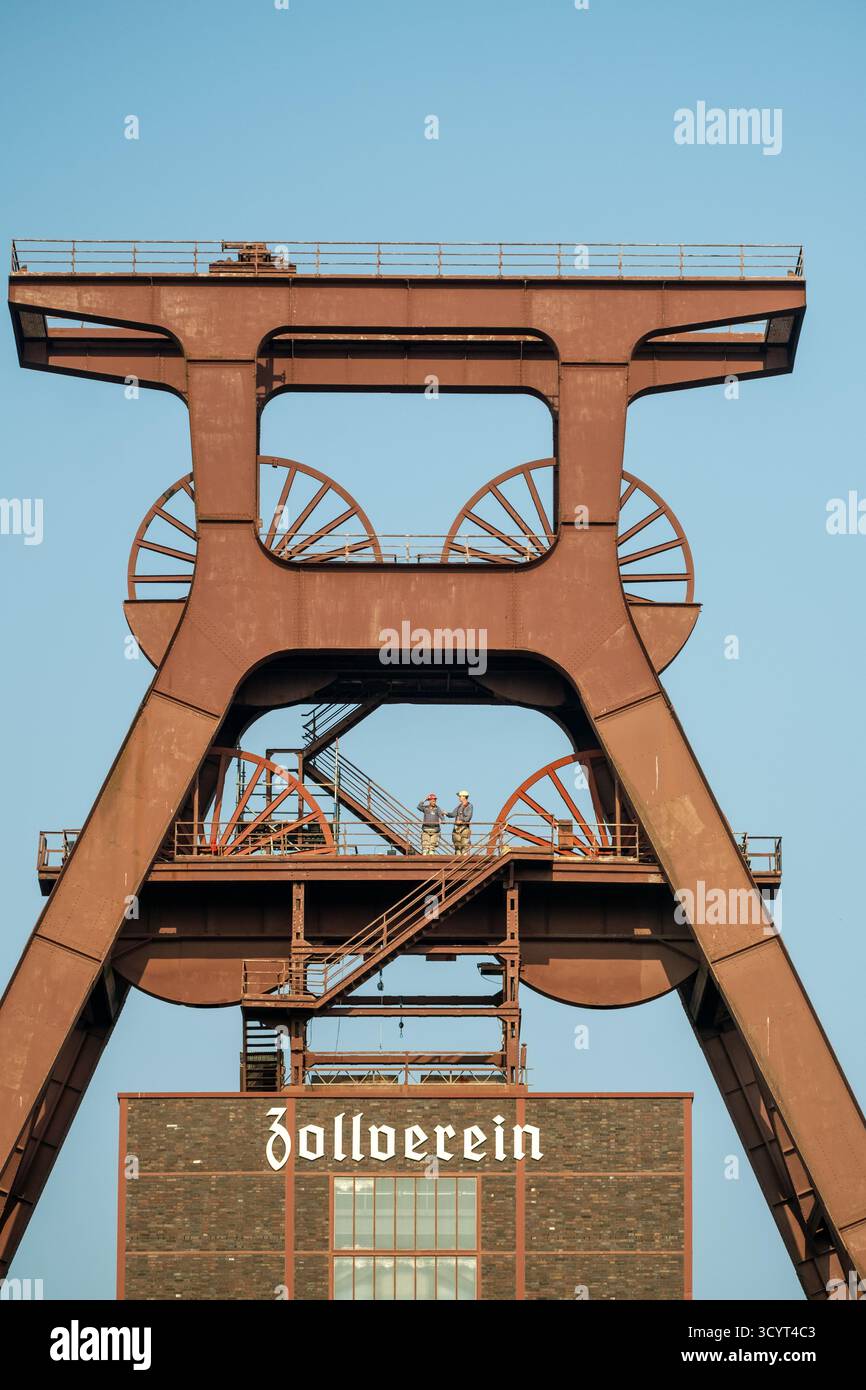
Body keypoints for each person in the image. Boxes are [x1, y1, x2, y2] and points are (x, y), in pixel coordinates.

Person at [447, 790, 473, 855]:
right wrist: (446, 813)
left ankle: (464, 859)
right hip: (457, 828)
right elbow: (453, 814)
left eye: (460, 796)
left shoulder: (469, 806)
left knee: (464, 845)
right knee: (457, 845)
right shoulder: (459, 806)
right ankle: (458, 858)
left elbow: (468, 817)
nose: (459, 798)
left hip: (464, 828)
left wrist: (462, 821)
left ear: (464, 797)